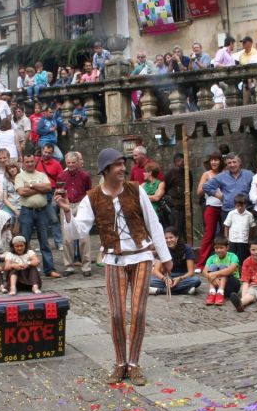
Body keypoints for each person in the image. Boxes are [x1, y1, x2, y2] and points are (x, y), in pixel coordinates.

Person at [56, 148, 172, 386]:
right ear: (106, 169)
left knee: (138, 312)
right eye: (118, 164)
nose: (123, 168)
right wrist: (68, 211)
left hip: (141, 256)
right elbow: (76, 232)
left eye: (123, 164)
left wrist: (165, 255)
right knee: (117, 314)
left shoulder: (136, 190)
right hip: (113, 259)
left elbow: (155, 224)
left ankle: (135, 363)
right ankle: (121, 363)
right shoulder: (92, 197)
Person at [16, 152, 60, 278]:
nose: (30, 164)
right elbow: (21, 192)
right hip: (27, 212)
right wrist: (38, 188)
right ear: (23, 163)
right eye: (27, 162)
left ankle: (49, 269)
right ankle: (22, 270)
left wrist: (31, 185)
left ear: (34, 162)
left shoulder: (42, 174)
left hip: (42, 211)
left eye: (31, 161)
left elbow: (48, 188)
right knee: (24, 242)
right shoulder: (19, 176)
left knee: (44, 242)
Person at [57, 152, 92, 277]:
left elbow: (89, 192)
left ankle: (86, 266)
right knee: (67, 237)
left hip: (81, 204)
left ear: (78, 162)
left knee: (84, 236)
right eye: (68, 163)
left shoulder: (85, 176)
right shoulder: (61, 175)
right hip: (67, 204)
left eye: (73, 162)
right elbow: (59, 191)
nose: (71, 165)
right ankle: (68, 266)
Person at [203, 153, 254, 225]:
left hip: (246, 210)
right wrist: (217, 195)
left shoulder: (249, 174)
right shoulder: (222, 176)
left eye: (234, 162)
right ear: (227, 164)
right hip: (228, 212)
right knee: (230, 235)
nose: (232, 165)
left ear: (239, 163)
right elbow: (206, 186)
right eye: (229, 163)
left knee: (246, 234)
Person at [149, 226, 200, 296]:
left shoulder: (186, 249)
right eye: (166, 238)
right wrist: (165, 279)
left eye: (171, 237)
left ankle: (159, 290)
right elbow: (156, 271)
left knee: (196, 280)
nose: (168, 240)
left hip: (182, 277)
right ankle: (185, 290)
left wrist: (180, 278)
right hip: (167, 277)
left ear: (177, 238)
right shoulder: (163, 249)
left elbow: (191, 272)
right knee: (147, 281)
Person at [196, 153, 224, 271]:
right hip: (211, 206)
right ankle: (201, 264)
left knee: (224, 235)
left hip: (224, 207)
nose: (214, 162)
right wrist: (209, 186)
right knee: (209, 234)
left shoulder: (225, 173)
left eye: (216, 160)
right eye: (212, 160)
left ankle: (224, 261)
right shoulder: (206, 174)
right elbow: (199, 192)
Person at [203, 236, 241, 306]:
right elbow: (204, 271)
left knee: (222, 267)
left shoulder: (233, 256)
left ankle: (220, 293)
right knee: (212, 267)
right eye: (216, 248)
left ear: (227, 248)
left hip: (232, 285)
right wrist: (211, 275)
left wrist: (214, 274)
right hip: (217, 284)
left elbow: (231, 269)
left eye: (221, 248)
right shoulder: (212, 258)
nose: (219, 250)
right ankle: (212, 292)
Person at [224, 193, 255, 266]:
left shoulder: (249, 215)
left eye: (242, 206)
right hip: (233, 239)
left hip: (244, 240)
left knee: (243, 258)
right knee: (232, 257)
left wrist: (250, 238)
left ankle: (242, 273)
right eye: (238, 206)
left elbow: (252, 227)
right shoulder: (231, 213)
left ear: (245, 205)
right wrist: (226, 237)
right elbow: (226, 226)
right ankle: (232, 272)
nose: (240, 208)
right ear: (235, 205)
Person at [164, 153, 189, 239]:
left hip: (185, 205)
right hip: (175, 207)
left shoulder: (188, 173)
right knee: (176, 229)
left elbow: (190, 187)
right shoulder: (171, 173)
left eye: (184, 161)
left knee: (187, 230)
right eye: (181, 161)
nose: (183, 163)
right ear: (176, 162)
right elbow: (165, 188)